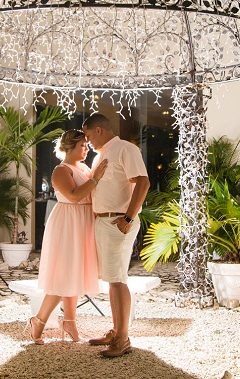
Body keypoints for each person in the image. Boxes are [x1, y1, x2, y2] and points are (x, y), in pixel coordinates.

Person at [27, 129, 108, 344]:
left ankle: (70, 321)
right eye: (82, 145)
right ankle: (39, 321)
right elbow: (73, 196)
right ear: (70, 147)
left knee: (75, 274)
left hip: (84, 221)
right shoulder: (61, 170)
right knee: (64, 275)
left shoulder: (82, 167)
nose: (86, 148)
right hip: (68, 222)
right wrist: (97, 179)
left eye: (86, 144)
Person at [82, 113, 150, 358]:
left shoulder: (124, 149)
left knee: (118, 280)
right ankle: (117, 331)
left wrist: (129, 218)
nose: (87, 141)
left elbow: (143, 182)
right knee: (113, 279)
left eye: (88, 135)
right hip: (104, 221)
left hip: (118, 221)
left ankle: (122, 339)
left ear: (99, 130)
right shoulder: (101, 155)